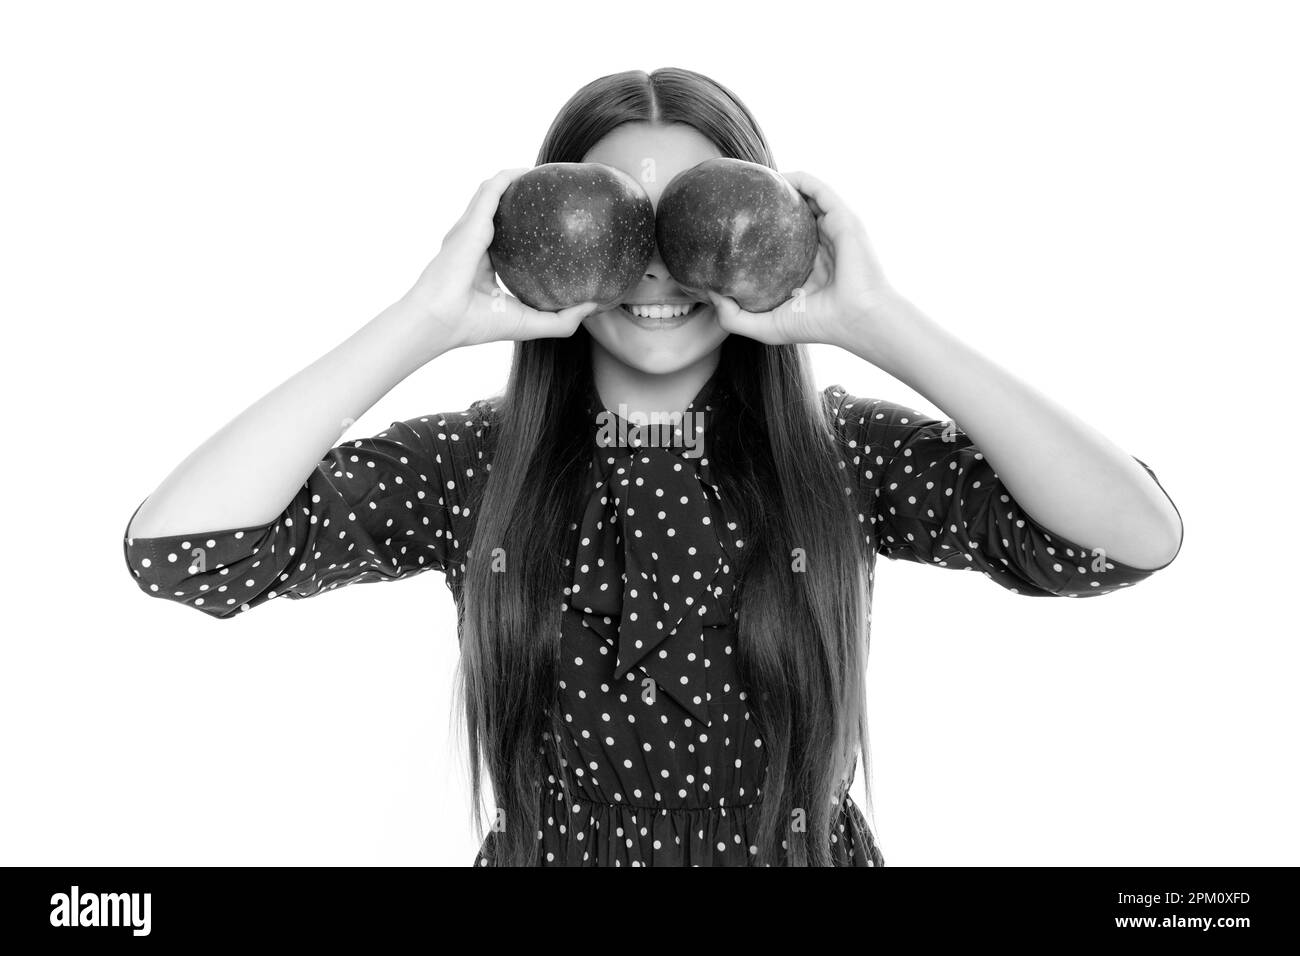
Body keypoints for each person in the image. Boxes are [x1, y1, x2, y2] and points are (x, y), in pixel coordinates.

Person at [122, 67, 1184, 867]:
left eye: (695, 210)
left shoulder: (835, 455)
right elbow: (186, 552)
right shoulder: (478, 467)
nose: (658, 261)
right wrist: (425, 320)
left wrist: (879, 321)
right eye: (615, 217)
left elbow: (1124, 539)